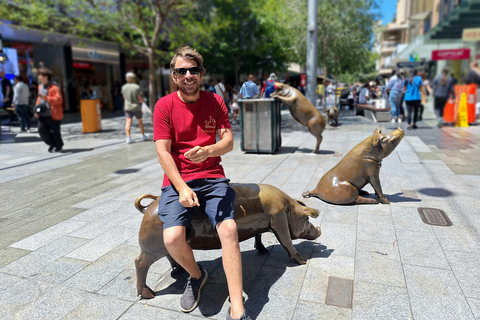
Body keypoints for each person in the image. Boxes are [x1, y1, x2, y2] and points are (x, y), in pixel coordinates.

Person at [153, 46, 251, 320]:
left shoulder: (215, 101)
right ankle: (197, 275)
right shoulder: (164, 106)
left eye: (193, 70)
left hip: (213, 177)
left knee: (229, 229)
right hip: (178, 180)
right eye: (181, 71)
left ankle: (237, 306)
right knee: (171, 237)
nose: (188, 76)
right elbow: (162, 150)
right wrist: (182, 187)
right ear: (174, 76)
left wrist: (209, 151)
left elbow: (228, 141)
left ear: (201, 74)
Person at [35, 68, 64, 152]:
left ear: (46, 77)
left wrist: (46, 98)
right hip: (42, 113)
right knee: (41, 130)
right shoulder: (40, 87)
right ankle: (52, 143)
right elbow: (39, 99)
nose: (38, 76)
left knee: (56, 131)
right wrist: (37, 109)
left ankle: (59, 145)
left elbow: (59, 99)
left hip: (52, 113)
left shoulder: (54, 87)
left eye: (40, 75)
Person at [121, 72, 148, 144]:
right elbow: (139, 98)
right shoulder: (136, 87)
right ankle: (143, 135)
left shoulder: (124, 87)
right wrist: (141, 101)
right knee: (140, 121)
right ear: (133, 79)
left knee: (128, 122)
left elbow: (124, 97)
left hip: (127, 107)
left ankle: (128, 138)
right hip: (136, 107)